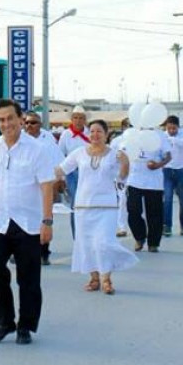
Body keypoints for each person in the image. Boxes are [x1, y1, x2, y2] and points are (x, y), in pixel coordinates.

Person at [0, 99, 56, 345]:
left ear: (20, 118)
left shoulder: (36, 149)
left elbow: (46, 187)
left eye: (10, 118)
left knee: (29, 278)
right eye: (1, 120)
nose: (6, 124)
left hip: (28, 222)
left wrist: (47, 221)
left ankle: (25, 326)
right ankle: (5, 321)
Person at [58, 119, 137, 295]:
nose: (95, 135)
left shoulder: (115, 154)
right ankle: (94, 278)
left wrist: (125, 163)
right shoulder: (79, 153)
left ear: (106, 133)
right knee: (86, 244)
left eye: (99, 131)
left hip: (106, 206)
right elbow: (61, 169)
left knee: (103, 243)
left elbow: (122, 178)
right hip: (83, 206)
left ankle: (106, 279)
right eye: (92, 131)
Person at [23, 111, 63, 265]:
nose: (29, 126)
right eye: (26, 123)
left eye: (33, 123)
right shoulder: (20, 139)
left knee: (44, 218)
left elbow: (58, 162)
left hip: (45, 186)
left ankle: (44, 252)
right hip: (25, 187)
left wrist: (58, 183)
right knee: (25, 219)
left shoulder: (47, 141)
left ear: (40, 124)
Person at [123, 126, 170, 252]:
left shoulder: (160, 134)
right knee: (133, 210)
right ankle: (139, 237)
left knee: (154, 213)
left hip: (154, 181)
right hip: (134, 179)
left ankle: (153, 243)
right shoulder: (131, 133)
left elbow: (168, 156)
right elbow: (122, 153)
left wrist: (158, 165)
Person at [57, 105, 90, 237]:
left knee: (88, 203)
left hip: (87, 172)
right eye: (75, 117)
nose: (78, 120)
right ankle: (77, 235)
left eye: (81, 118)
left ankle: (87, 234)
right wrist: (61, 177)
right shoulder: (66, 135)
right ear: (72, 119)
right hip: (72, 172)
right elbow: (60, 154)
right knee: (75, 204)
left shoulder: (89, 133)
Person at [161, 115, 183, 238]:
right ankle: (167, 226)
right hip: (167, 170)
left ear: (178, 127)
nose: (172, 130)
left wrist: (172, 139)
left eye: (174, 128)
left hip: (182, 170)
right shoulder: (163, 136)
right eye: (169, 128)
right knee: (167, 199)